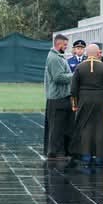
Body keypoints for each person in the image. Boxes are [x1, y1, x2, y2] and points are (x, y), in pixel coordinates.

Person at [71, 42, 103, 167]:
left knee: (85, 127)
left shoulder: (80, 67)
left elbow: (73, 88)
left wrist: (75, 103)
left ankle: (86, 154)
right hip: (101, 101)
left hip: (84, 100)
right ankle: (100, 156)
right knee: (100, 128)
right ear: (97, 53)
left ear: (86, 53)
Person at [43, 32, 74, 162]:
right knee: (57, 127)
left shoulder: (57, 56)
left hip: (58, 97)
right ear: (59, 44)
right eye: (65, 45)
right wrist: (74, 75)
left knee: (59, 126)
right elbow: (58, 77)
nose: (66, 47)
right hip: (58, 98)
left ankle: (57, 151)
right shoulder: (55, 58)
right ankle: (55, 152)